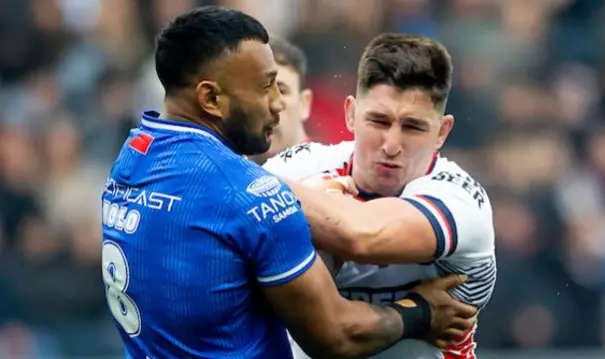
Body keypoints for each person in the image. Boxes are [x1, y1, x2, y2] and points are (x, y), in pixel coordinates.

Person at [100, 7, 477, 359]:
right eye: (267, 87)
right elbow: (337, 334)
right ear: (211, 98)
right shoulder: (251, 197)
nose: (278, 104)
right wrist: (421, 312)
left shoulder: (133, 156)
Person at [263, 33, 496, 359]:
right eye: (378, 120)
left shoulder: (460, 198)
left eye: (413, 127)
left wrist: (278, 199)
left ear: (442, 132)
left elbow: (361, 235)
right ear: (350, 114)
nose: (391, 144)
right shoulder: (302, 168)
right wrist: (418, 311)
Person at [249, 37, 313, 165]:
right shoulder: (223, 176)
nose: (270, 105)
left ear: (305, 103)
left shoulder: (333, 174)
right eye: (257, 91)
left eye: (282, 91)